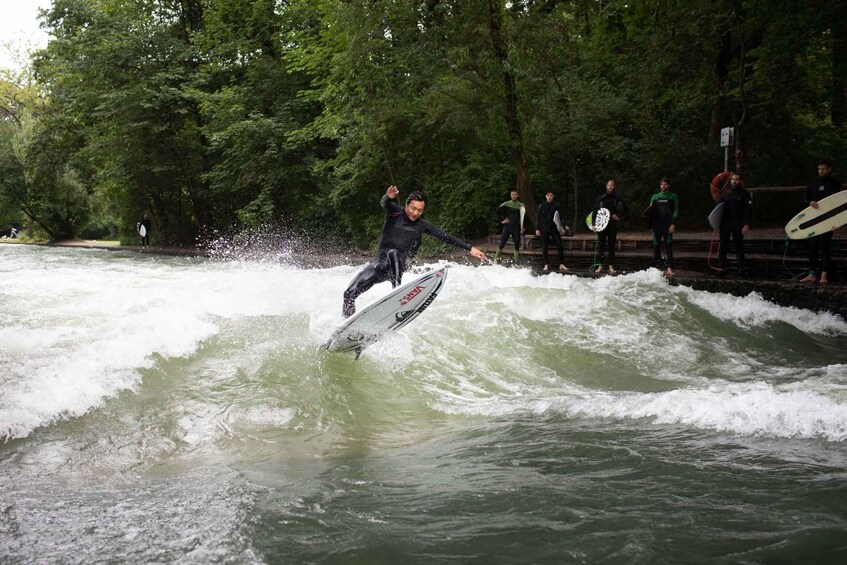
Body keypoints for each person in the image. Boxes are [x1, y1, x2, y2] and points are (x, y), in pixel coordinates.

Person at [342, 185, 487, 318]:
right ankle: (346, 326)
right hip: (377, 266)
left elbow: (445, 236)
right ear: (406, 205)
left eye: (420, 210)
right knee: (348, 294)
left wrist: (469, 248)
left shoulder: (422, 225)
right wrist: (388, 196)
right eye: (413, 208)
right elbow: (384, 203)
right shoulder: (395, 213)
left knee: (393, 253)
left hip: (396, 268)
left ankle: (397, 292)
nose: (415, 213)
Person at [800, 160, 843, 284]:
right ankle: (812, 274)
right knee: (812, 246)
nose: (821, 171)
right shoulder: (813, 183)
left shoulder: (835, 184)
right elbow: (805, 198)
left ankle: (824, 275)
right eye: (819, 169)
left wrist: (838, 222)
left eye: (823, 169)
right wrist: (810, 202)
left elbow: (839, 205)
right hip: (814, 220)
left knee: (825, 247)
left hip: (828, 220)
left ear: (829, 169)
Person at [717, 172, 752, 276]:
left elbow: (748, 211)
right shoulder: (725, 193)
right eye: (732, 179)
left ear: (740, 181)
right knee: (723, 246)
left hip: (738, 224)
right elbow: (719, 210)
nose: (734, 181)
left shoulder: (745, 194)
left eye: (736, 179)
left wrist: (746, 224)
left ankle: (740, 269)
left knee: (739, 246)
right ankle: (722, 268)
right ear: (730, 181)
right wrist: (716, 225)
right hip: (725, 224)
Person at [592, 179, 628, 273]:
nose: (610, 187)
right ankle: (600, 266)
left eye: (612, 185)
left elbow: (626, 208)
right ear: (606, 186)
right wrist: (593, 224)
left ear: (614, 187)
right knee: (601, 245)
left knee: (611, 245)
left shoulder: (617, 197)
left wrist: (619, 216)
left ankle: (611, 266)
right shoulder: (601, 198)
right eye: (609, 185)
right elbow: (595, 211)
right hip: (601, 225)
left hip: (612, 225)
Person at [649, 178, 679, 277]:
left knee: (668, 245)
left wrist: (673, 224)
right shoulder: (655, 197)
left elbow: (676, 211)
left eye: (665, 184)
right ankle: (658, 266)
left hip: (668, 225)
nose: (663, 186)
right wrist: (649, 224)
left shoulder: (673, 196)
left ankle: (669, 267)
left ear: (668, 186)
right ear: (660, 186)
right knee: (656, 245)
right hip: (656, 225)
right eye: (662, 184)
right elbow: (649, 212)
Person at [535, 191, 568, 272]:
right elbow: (537, 218)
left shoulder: (557, 205)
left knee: (559, 245)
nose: (549, 197)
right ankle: (546, 264)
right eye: (548, 195)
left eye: (551, 195)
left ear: (553, 196)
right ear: (546, 196)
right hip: (543, 228)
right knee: (544, 247)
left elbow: (561, 217)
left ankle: (561, 264)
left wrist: (563, 227)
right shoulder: (542, 206)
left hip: (554, 228)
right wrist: (537, 229)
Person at [494, 190, 525, 265]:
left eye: (515, 194)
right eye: (512, 194)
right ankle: (496, 260)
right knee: (502, 242)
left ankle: (516, 263)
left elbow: (523, 217)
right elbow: (497, 212)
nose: (513, 196)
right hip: (507, 226)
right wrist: (502, 221)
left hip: (516, 227)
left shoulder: (521, 205)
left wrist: (523, 227)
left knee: (517, 244)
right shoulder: (506, 204)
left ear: (517, 195)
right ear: (510, 195)